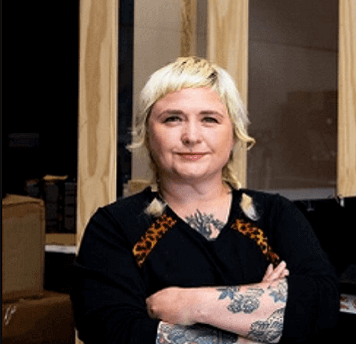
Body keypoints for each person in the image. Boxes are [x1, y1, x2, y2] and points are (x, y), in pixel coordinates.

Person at [72, 57, 338, 344]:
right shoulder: (114, 227)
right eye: (172, 119)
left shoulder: (275, 215)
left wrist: (189, 304)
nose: (191, 136)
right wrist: (258, 314)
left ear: (234, 134)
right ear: (148, 134)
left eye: (209, 119)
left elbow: (321, 308)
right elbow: (116, 332)